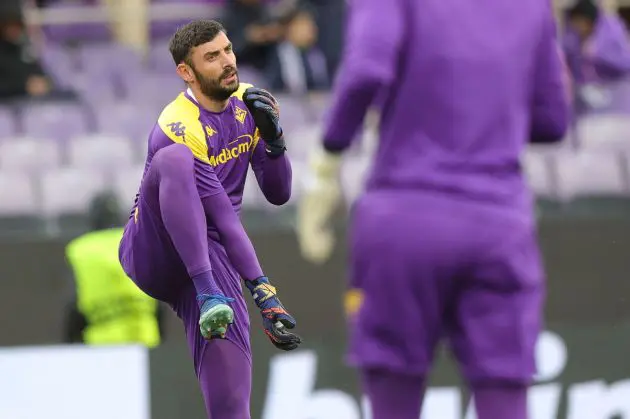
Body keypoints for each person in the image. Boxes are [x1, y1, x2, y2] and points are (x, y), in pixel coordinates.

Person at [296, 0, 570, 418]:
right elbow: (552, 119)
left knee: (394, 395)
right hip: (498, 223)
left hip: (405, 218)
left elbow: (366, 71)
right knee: (505, 396)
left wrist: (328, 159)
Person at [118, 20, 301, 419]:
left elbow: (278, 193)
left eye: (228, 50)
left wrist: (274, 142)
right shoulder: (178, 124)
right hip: (156, 249)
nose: (227, 62)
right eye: (212, 57)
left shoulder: (248, 106)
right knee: (174, 159)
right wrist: (263, 291)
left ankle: (209, 294)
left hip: (213, 248)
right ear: (187, 72)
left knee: (232, 405)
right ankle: (207, 293)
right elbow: (222, 214)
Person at [64, 192, 163, 348]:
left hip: (102, 346)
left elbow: (73, 308)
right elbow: (160, 300)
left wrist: (70, 345)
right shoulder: (140, 240)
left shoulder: (80, 250)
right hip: (145, 340)